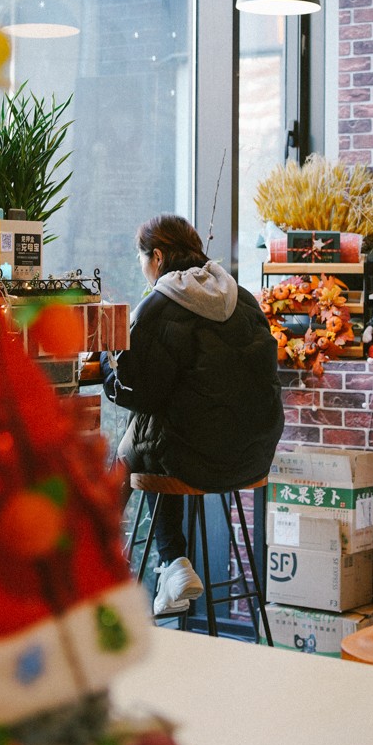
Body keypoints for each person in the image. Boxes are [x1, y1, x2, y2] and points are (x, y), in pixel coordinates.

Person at [100, 214, 284, 618]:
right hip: (255, 456)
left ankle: (152, 560)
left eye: (141, 258)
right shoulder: (244, 299)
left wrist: (105, 361)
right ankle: (165, 563)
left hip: (194, 460)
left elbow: (135, 392)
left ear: (158, 256)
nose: (142, 267)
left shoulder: (158, 308)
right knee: (162, 425)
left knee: (145, 433)